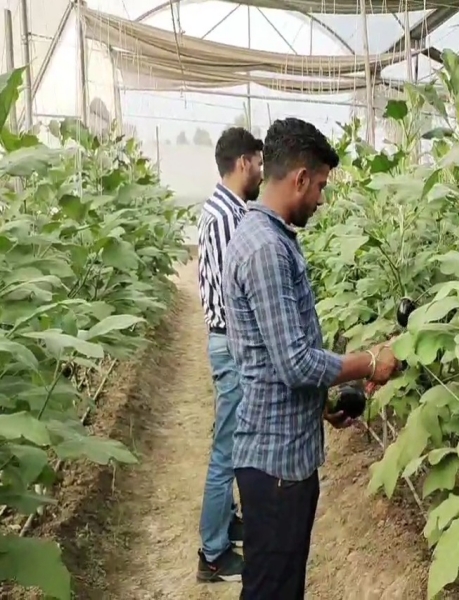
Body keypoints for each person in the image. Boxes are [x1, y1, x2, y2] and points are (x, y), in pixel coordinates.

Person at [221, 117, 400, 599]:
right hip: (277, 466)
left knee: (278, 586)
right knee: (272, 590)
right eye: (320, 185)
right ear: (299, 178)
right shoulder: (264, 250)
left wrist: (319, 404)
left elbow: (273, 356)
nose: (321, 198)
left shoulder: (268, 239)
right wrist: (370, 361)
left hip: (281, 453)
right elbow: (295, 362)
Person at [195, 127, 264, 583]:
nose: (261, 170)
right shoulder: (227, 218)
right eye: (258, 162)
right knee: (226, 451)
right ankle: (213, 554)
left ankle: (227, 524)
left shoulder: (222, 209)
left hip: (225, 339)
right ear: (242, 163)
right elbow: (229, 293)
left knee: (234, 440)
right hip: (230, 340)